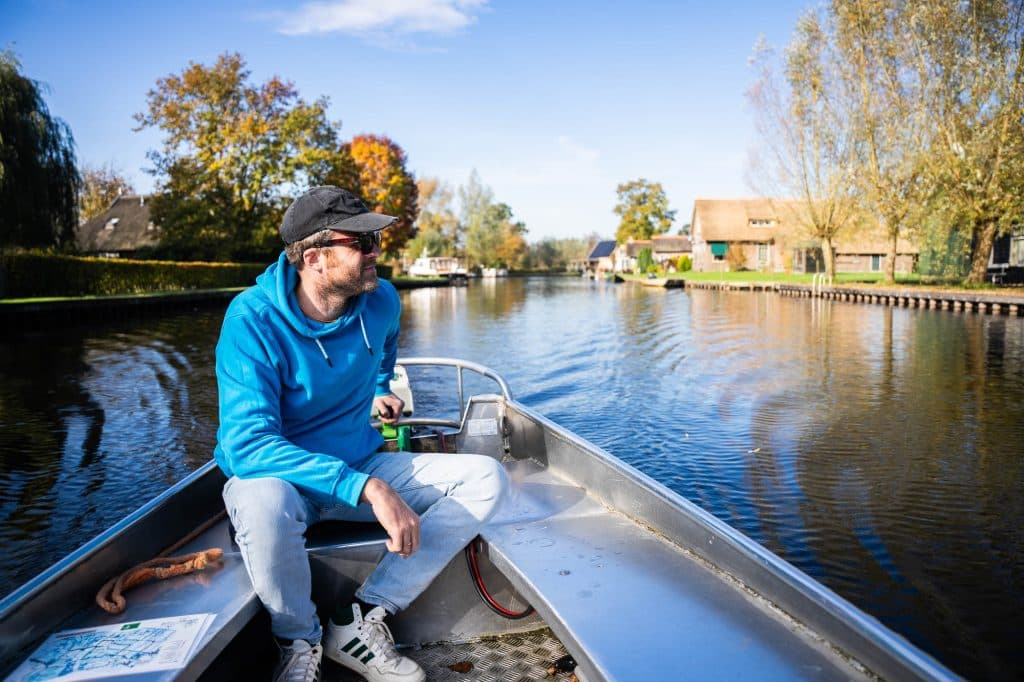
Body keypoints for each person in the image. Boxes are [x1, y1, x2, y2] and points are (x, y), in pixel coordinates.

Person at [213, 186, 508, 682]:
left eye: (376, 238)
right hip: (282, 481)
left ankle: (361, 618)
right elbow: (248, 447)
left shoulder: (382, 301)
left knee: (488, 478)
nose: (377, 251)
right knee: (262, 504)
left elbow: (386, 351)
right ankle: (298, 641)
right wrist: (366, 487)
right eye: (363, 242)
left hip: (358, 461)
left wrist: (378, 387)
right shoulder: (251, 321)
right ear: (315, 257)